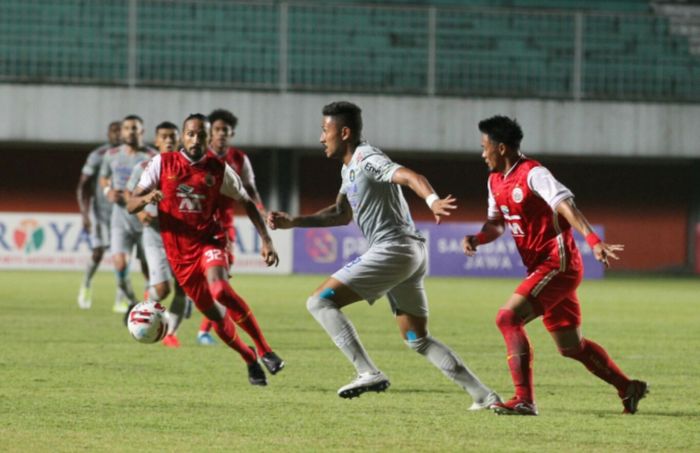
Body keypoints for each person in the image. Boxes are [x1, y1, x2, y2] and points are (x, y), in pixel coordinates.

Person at [267, 101, 500, 407]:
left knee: (319, 301)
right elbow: (340, 213)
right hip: (410, 252)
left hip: (394, 248)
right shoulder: (348, 168)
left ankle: (367, 371)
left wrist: (431, 201)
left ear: (345, 132)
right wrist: (295, 222)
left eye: (325, 130)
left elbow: (409, 176)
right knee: (417, 339)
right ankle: (483, 396)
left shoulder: (367, 158)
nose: (321, 138)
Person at [463, 115, 648, 416]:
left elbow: (565, 205)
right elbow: (496, 224)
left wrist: (592, 240)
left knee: (507, 318)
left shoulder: (534, 173)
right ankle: (628, 388)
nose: (482, 153)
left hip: (557, 264)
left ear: (502, 148)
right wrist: (478, 238)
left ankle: (523, 399)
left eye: (485, 147)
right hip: (541, 269)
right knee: (570, 346)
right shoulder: (494, 181)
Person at [126, 113, 285, 385]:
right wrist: (146, 199)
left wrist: (266, 240)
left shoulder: (218, 168)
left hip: (209, 242)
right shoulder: (162, 164)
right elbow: (131, 203)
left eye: (201, 134)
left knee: (220, 289)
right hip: (179, 257)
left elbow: (246, 200)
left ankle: (265, 349)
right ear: (183, 136)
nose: (196, 139)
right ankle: (249, 359)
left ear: (208, 137)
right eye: (191, 133)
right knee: (214, 314)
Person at [195, 108, 267, 346]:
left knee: (222, 276)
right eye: (216, 130)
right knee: (201, 279)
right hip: (197, 222)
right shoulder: (199, 155)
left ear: (231, 133)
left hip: (224, 225)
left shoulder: (239, 158)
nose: (221, 134)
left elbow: (250, 188)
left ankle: (205, 329)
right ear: (209, 132)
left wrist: (262, 210)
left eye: (225, 130)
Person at [125, 121, 190, 348]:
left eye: (173, 136)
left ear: (180, 140)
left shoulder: (189, 168)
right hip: (155, 236)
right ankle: (143, 311)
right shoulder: (145, 166)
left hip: (183, 237)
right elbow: (130, 196)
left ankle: (170, 332)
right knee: (162, 290)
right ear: (156, 141)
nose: (169, 140)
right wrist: (142, 211)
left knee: (184, 288)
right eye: (164, 136)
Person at [100, 115, 156, 320]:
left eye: (134, 128)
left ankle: (149, 306)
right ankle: (133, 302)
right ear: (122, 132)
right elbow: (104, 177)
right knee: (120, 265)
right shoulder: (112, 154)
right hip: (120, 219)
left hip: (145, 220)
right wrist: (107, 191)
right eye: (127, 128)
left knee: (148, 268)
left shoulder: (152, 156)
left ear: (142, 131)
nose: (130, 132)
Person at [77, 121, 123, 310]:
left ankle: (121, 298)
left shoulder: (133, 155)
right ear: (108, 134)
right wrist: (85, 214)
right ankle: (86, 284)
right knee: (98, 252)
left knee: (122, 255)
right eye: (114, 131)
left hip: (122, 212)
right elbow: (82, 186)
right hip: (100, 213)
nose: (118, 134)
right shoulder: (97, 155)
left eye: (120, 131)